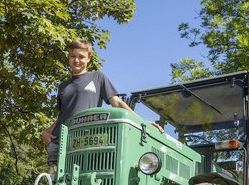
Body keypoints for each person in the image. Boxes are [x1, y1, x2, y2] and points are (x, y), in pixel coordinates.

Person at [42, 38, 162, 170]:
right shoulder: (63, 86)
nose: (76, 60)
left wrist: (142, 122)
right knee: (60, 184)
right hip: (63, 142)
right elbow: (63, 114)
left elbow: (117, 103)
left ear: (89, 57)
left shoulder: (98, 78)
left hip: (86, 139)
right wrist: (47, 135)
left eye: (81, 57)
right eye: (72, 56)